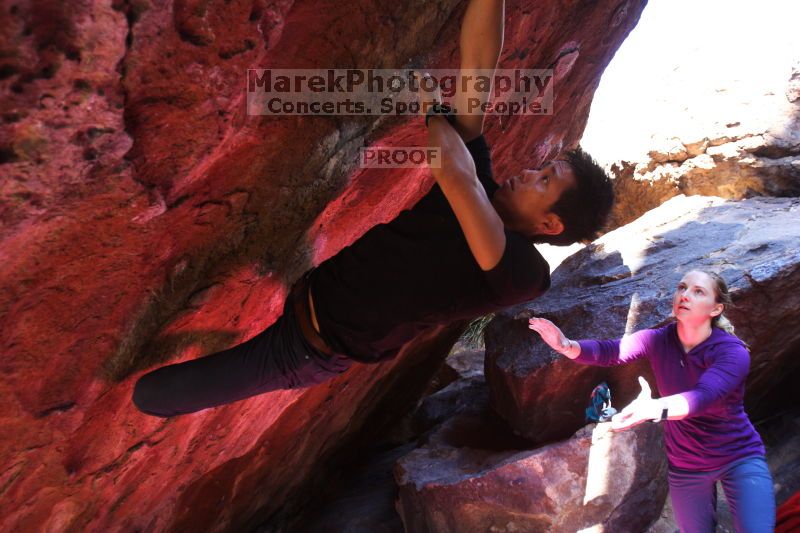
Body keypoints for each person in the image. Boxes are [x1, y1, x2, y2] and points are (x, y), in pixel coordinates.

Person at [132, 0, 614, 418]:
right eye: (541, 168)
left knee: (153, 394)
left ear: (551, 224)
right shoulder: (482, 185)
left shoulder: (522, 272)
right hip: (312, 294)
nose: (530, 173)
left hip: (305, 350)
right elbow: (478, 71)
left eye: (544, 181)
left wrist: (430, 103)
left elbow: (455, 175)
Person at [529, 270, 776, 532]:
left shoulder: (732, 352)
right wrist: (566, 345)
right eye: (682, 287)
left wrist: (652, 408)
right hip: (687, 467)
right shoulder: (658, 339)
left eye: (698, 291)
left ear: (716, 309)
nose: (685, 295)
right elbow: (611, 351)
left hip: (737, 458)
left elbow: (703, 397)